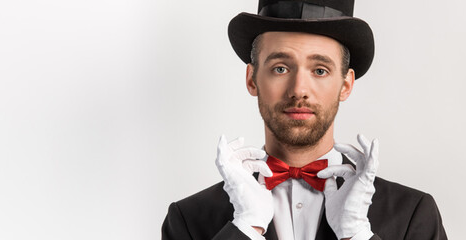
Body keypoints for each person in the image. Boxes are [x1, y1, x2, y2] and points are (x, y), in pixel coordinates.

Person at [161, 1, 447, 239]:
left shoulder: (413, 214)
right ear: (251, 79)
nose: (299, 89)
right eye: (281, 67)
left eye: (320, 70)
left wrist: (356, 235)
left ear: (345, 85)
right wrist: (245, 229)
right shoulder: (188, 220)